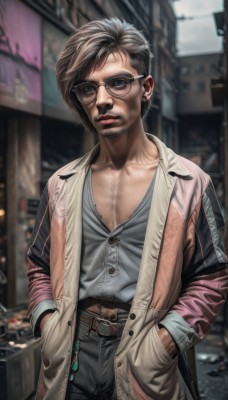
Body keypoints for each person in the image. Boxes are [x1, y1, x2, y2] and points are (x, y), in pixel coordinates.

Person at [27, 17, 228, 400]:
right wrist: (47, 322)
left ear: (146, 87)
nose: (102, 99)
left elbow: (213, 274)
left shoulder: (189, 183)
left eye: (118, 82)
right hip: (70, 351)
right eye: (89, 88)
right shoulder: (61, 185)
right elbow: (38, 263)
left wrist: (167, 340)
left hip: (145, 354)